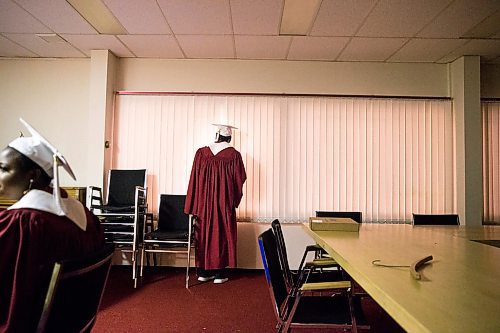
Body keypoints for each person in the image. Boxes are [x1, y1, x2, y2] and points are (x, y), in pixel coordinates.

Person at [0, 118, 105, 332]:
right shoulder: (82, 215)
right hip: (67, 324)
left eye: (3, 168)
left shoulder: (24, 223)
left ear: (33, 175)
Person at [185, 123, 246, 284]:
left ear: (217, 136)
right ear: (230, 137)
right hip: (223, 204)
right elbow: (239, 180)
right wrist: (232, 200)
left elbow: (194, 180)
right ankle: (220, 273)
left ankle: (204, 272)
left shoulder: (201, 153)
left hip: (203, 205)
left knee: (204, 235)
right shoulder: (234, 155)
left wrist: (193, 203)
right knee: (222, 236)